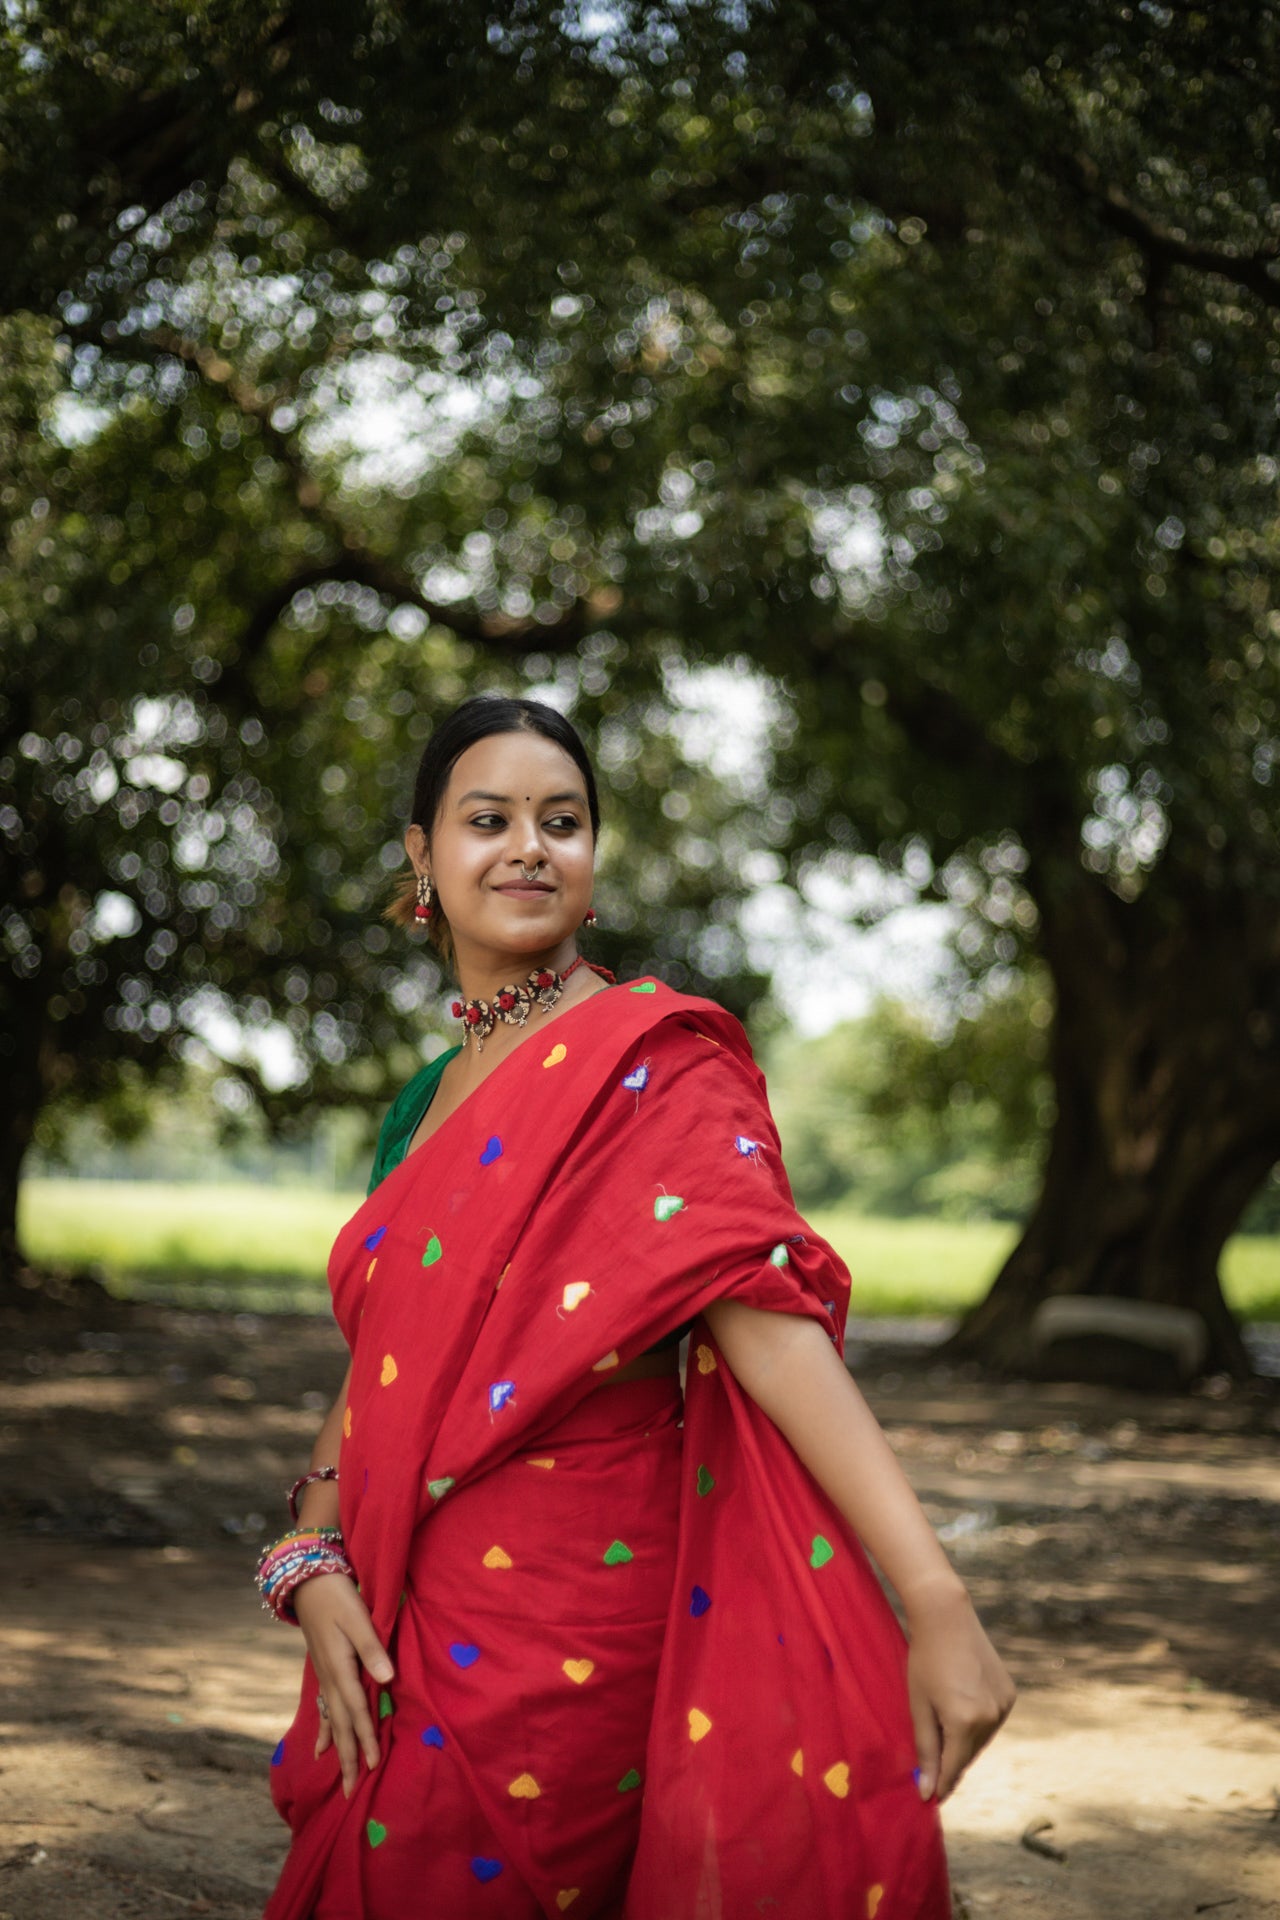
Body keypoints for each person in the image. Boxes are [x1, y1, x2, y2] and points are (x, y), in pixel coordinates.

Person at [258, 695, 1015, 1920]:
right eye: (486, 819)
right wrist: (312, 1554)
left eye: (561, 822)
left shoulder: (652, 1066)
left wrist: (933, 1598)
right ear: (420, 858)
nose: (527, 847)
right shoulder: (426, 1102)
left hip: (576, 1610)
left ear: (592, 861)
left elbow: (769, 1333)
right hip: (408, 1606)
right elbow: (388, 1359)